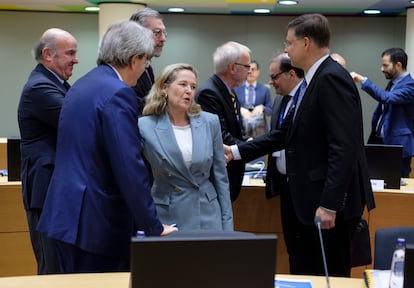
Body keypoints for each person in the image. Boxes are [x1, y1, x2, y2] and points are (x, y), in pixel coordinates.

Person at [225, 13, 375, 277]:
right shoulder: (312, 80)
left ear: (306, 43)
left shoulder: (330, 78)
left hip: (331, 204)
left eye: (289, 43)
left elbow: (344, 146)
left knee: (330, 274)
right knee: (307, 269)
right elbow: (285, 133)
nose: (285, 49)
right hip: (309, 198)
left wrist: (330, 204)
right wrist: (236, 151)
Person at [37, 21, 177, 273]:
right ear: (135, 59)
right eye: (145, 61)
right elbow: (128, 166)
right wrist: (153, 225)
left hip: (66, 215)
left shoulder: (83, 84)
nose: (145, 69)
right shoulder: (117, 93)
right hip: (95, 222)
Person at [138, 63, 233, 231]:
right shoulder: (145, 126)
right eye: (183, 84)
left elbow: (221, 178)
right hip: (167, 215)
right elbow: (136, 176)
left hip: (208, 215)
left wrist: (227, 225)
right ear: (164, 88)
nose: (189, 90)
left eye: (193, 86)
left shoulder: (210, 122)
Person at [17, 28, 78, 274]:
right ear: (48, 54)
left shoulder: (56, 83)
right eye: (70, 53)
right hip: (46, 190)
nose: (76, 59)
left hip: (55, 188)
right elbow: (78, 120)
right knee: (52, 266)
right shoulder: (40, 87)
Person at [196, 41, 251, 202]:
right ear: (233, 68)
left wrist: (248, 142)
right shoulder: (209, 92)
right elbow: (220, 136)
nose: (249, 71)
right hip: (218, 175)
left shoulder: (229, 92)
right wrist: (252, 148)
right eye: (247, 66)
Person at [351, 47, 414, 178]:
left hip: (398, 146)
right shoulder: (393, 83)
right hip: (380, 142)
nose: (382, 69)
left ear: (398, 65)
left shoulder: (410, 86)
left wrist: (363, 80)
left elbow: (386, 98)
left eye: (385, 65)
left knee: (397, 188)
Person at [264, 52, 304, 199]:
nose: (270, 82)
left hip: (303, 187)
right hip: (283, 184)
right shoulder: (279, 100)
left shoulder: (308, 99)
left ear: (291, 74)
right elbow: (275, 137)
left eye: (274, 77)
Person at [130, 7, 167, 116]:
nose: (163, 38)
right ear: (138, 33)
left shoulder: (147, 68)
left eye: (164, 32)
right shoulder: (129, 69)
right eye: (157, 33)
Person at [233, 60, 272, 137]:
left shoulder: (264, 90)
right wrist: (239, 109)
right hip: (242, 131)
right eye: (248, 69)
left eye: (253, 69)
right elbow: (230, 109)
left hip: (260, 131)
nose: (250, 72)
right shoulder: (236, 89)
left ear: (258, 72)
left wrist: (262, 108)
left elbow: (270, 110)